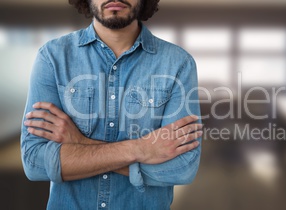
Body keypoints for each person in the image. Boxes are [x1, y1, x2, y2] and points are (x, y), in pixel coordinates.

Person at [20, 0, 203, 209]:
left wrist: (80, 143)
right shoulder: (52, 57)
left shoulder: (178, 63)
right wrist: (141, 149)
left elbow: (182, 169)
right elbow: (35, 162)